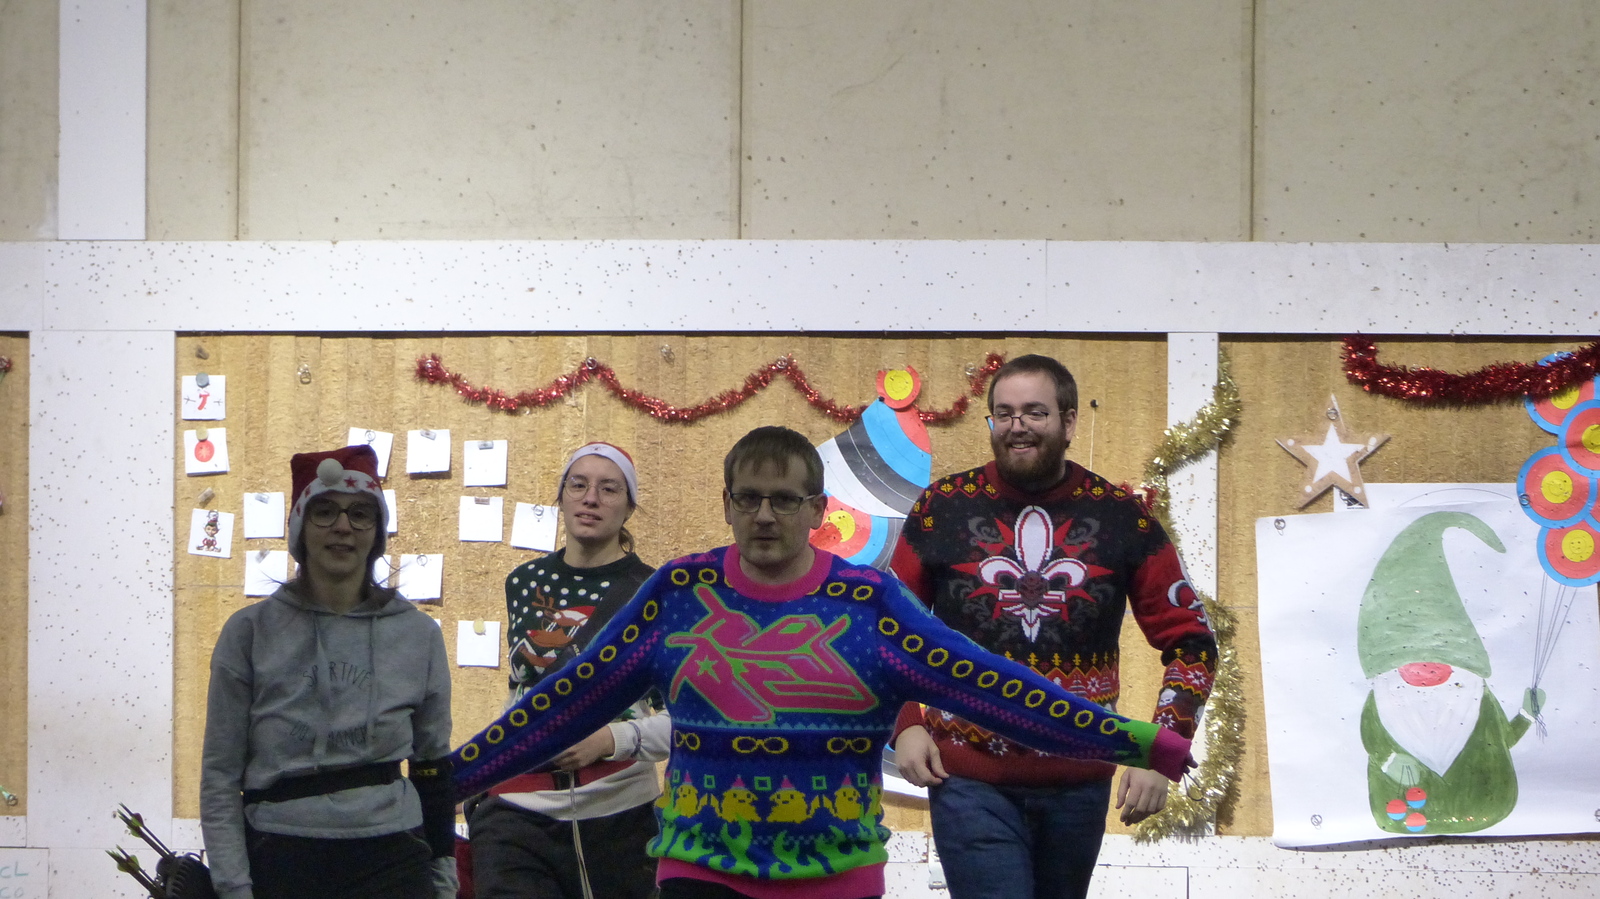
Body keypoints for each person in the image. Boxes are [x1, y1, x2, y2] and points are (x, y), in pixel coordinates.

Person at [450, 426, 1193, 899]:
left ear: (817, 508)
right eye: (749, 499)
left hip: (836, 874)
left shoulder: (870, 603)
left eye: (784, 499)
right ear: (726, 504)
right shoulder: (679, 593)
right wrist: (450, 779)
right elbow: (565, 700)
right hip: (701, 868)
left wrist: (1137, 741)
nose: (765, 515)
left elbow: (989, 686)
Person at [889, 354, 1218, 899]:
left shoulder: (1122, 517)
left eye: (1034, 412)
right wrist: (905, 724)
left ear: (1068, 422)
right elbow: (886, 627)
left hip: (1080, 784)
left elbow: (1192, 641)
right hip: (967, 780)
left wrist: (1164, 749)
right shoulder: (941, 509)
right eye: (1003, 413)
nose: (1017, 426)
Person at [200, 445, 456, 899]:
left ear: (376, 532)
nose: (343, 526)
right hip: (281, 853)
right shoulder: (249, 633)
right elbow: (220, 777)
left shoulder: (418, 635)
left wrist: (443, 878)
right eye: (324, 511)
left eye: (360, 513)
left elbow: (432, 765)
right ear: (300, 528)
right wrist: (233, 886)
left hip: (393, 855)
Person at [468, 442, 669, 899]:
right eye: (578, 485)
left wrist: (610, 740)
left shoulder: (656, 594)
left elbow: (686, 721)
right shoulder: (523, 582)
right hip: (516, 808)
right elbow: (522, 687)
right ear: (561, 496)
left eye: (608, 488)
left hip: (618, 815)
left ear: (629, 506)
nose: (590, 498)